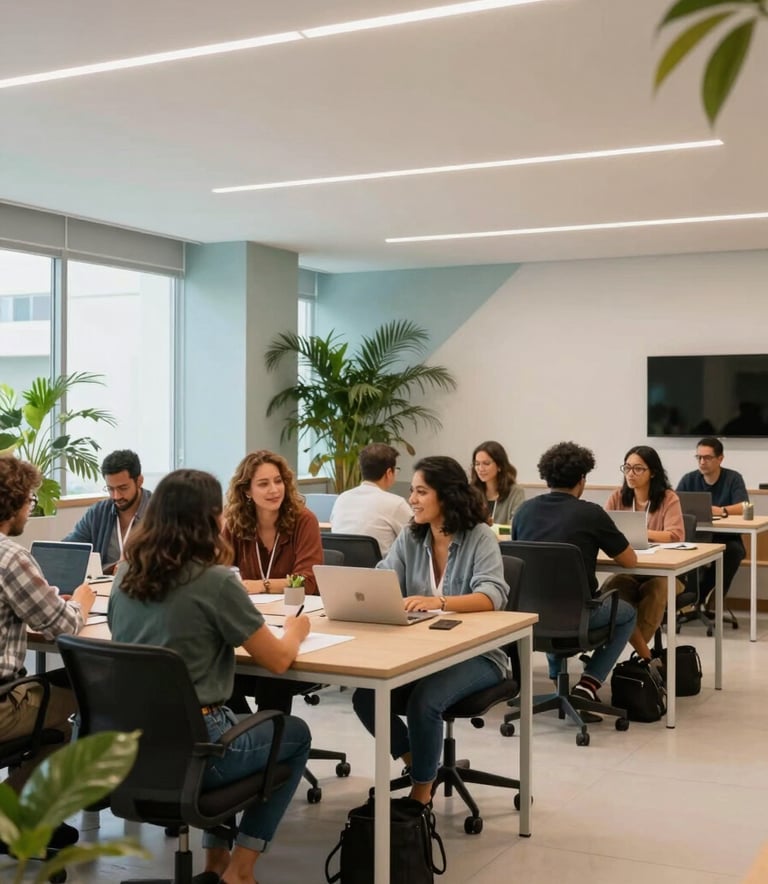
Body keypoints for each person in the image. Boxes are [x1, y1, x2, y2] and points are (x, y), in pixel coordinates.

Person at [108, 469, 311, 884]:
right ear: (209, 518)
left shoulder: (123, 575)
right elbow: (276, 661)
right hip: (199, 748)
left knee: (230, 720)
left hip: (128, 748)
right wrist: (295, 630)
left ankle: (214, 863)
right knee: (295, 734)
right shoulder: (215, 581)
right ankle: (241, 868)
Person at [351, 455, 509, 806]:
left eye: (421, 492)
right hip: (421, 650)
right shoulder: (411, 536)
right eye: (412, 491)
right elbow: (383, 576)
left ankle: (420, 795)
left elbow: (492, 596)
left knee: (426, 701)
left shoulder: (479, 536)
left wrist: (438, 602)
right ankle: (422, 765)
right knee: (365, 696)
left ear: (446, 496)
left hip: (479, 654)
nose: (413, 499)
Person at [0, 456, 96, 851]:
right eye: (30, 499)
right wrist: (84, 601)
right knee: (85, 698)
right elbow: (64, 625)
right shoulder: (11, 557)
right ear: (15, 502)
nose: (32, 508)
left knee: (50, 711)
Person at [512, 441, 638, 703]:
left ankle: (558, 679)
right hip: (579, 616)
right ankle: (589, 683)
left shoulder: (524, 512)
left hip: (529, 618)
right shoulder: (590, 513)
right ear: (582, 479)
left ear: (546, 477)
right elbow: (629, 561)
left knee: (550, 594)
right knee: (627, 613)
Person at [222, 450, 322, 714]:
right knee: (218, 664)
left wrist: (260, 585)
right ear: (246, 491)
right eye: (264, 484)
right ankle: (245, 731)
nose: (274, 490)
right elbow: (217, 574)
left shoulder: (304, 519)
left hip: (291, 621)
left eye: (278, 481)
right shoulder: (234, 522)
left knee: (274, 674)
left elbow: (308, 582)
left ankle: (270, 739)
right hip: (249, 620)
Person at [603, 445, 684, 664]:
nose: (631, 473)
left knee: (655, 589)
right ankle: (641, 655)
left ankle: (639, 653)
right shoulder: (618, 497)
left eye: (638, 469)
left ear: (653, 472)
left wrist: (642, 533)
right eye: (627, 468)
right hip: (630, 569)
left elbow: (675, 536)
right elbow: (606, 530)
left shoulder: (668, 498)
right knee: (612, 587)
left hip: (665, 573)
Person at [676, 436, 749, 607]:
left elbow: (745, 506)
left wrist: (722, 511)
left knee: (735, 551)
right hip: (695, 536)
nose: (702, 462)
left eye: (707, 458)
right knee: (682, 552)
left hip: (725, 537)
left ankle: (708, 598)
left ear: (720, 458)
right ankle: (688, 599)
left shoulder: (733, 478)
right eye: (699, 457)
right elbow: (674, 504)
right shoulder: (689, 479)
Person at [64, 449, 151, 574]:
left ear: (139, 481)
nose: (116, 496)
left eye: (123, 488)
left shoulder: (159, 512)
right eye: (110, 489)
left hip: (144, 587)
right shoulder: (98, 513)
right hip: (101, 588)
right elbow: (69, 549)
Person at [329, 443, 412, 556]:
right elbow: (416, 539)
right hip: (380, 572)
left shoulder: (342, 498)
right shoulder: (396, 504)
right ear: (389, 473)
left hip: (341, 571)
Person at [470, 440, 525, 526]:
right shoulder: (471, 492)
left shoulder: (516, 492)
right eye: (477, 464)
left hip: (503, 539)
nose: (480, 468)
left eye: (486, 463)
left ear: (499, 466)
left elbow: (516, 526)